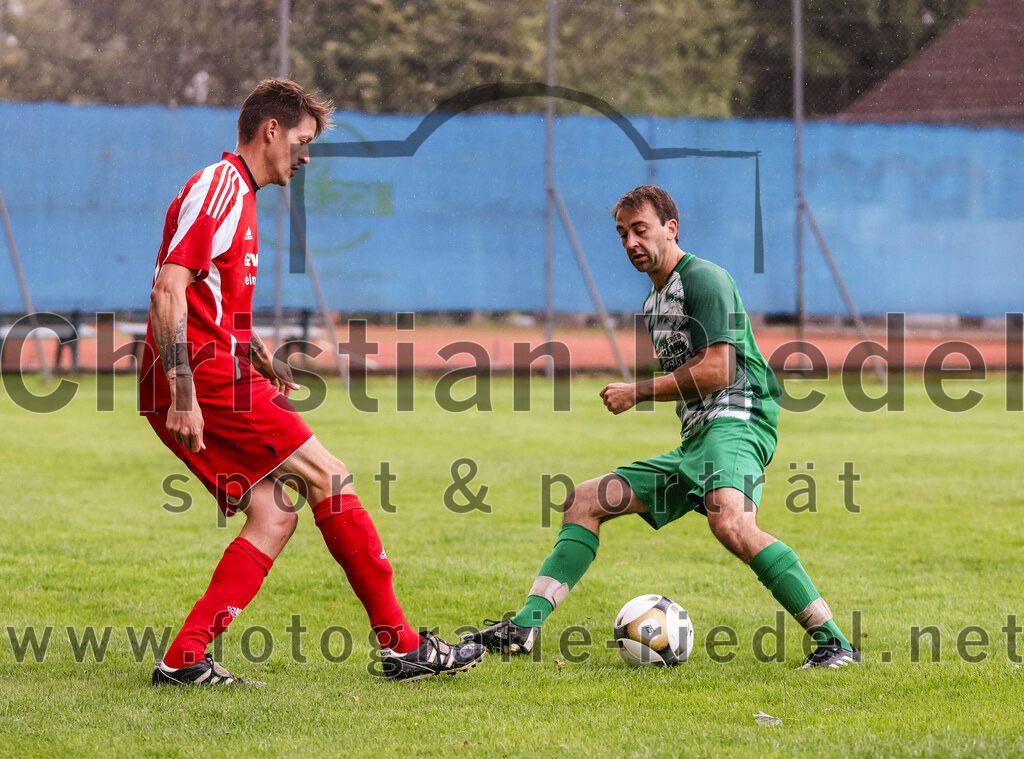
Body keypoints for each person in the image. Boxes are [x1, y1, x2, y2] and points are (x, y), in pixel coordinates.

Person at [139, 78, 484, 685]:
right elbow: (168, 288)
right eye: (301, 141)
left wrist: (262, 354)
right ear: (270, 131)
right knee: (330, 476)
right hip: (203, 377)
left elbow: (209, 304)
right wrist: (184, 392)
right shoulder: (219, 186)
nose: (305, 156)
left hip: (215, 369)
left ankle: (184, 659)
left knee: (274, 516)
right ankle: (402, 646)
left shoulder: (239, 198)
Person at [464, 185, 860, 669]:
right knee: (585, 500)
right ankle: (524, 627)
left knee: (732, 523)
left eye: (641, 229)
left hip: (738, 418)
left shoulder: (705, 280)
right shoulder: (654, 304)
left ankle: (836, 643)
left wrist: (638, 391)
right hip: (699, 439)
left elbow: (720, 371)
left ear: (671, 229)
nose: (631, 242)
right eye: (622, 233)